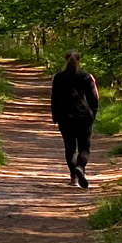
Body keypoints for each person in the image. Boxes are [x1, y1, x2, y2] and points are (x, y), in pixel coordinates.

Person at [50, 51, 100, 188]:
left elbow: (54, 99)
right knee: (84, 146)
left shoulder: (58, 78)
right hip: (84, 116)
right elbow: (94, 99)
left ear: (65, 60)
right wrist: (93, 114)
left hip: (65, 117)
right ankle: (80, 167)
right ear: (80, 60)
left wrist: (55, 116)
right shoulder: (87, 77)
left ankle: (74, 176)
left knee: (70, 147)